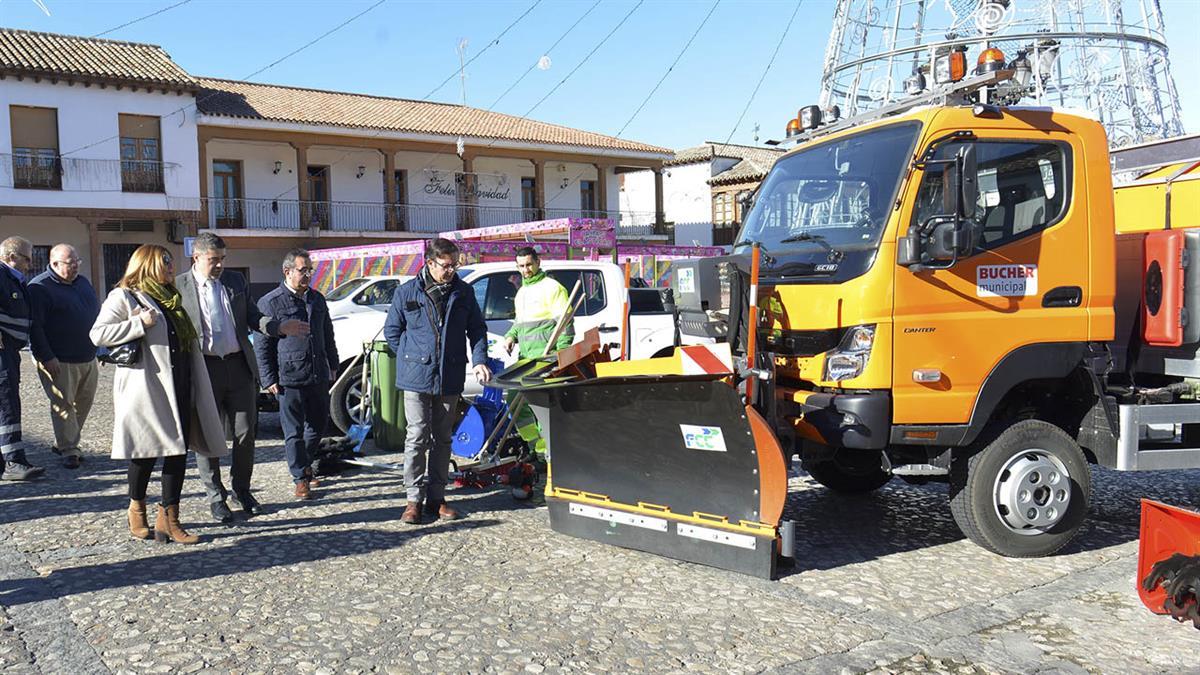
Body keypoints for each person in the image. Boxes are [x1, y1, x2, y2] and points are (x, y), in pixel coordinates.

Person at [89, 244, 228, 543]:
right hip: (147, 387)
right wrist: (139, 323)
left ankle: (169, 519)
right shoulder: (125, 296)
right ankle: (136, 508)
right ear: (148, 263)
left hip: (179, 381)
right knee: (146, 452)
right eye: (165, 261)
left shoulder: (172, 298)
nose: (170, 266)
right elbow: (97, 333)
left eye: (170, 261)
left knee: (177, 451)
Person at [177, 233, 309, 522]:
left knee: (246, 433)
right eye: (214, 260)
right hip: (204, 368)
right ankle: (215, 496)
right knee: (207, 437)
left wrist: (276, 327)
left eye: (223, 259)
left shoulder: (235, 281)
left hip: (239, 367)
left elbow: (253, 316)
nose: (220, 265)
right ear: (196, 258)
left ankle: (242, 490)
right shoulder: (179, 287)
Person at [384, 237, 491, 525]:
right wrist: (412, 357)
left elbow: (477, 329)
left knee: (443, 438)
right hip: (416, 376)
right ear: (429, 263)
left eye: (455, 265)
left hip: (450, 375)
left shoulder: (463, 292)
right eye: (446, 265)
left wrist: (479, 359)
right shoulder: (407, 292)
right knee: (417, 436)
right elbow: (392, 332)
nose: (451, 270)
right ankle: (413, 500)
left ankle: (437, 498)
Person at [254, 248, 337, 501]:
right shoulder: (270, 302)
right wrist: (268, 378)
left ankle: (306, 464)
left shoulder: (317, 299)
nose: (307, 275)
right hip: (289, 376)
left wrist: (332, 363)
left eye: (309, 270)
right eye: (303, 270)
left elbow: (328, 334)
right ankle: (300, 478)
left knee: (317, 426)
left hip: (317, 373)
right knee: (293, 431)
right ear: (287, 272)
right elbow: (262, 343)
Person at [28, 244, 100, 470]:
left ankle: (64, 441)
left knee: (84, 402)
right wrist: (46, 356)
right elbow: (35, 327)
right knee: (63, 403)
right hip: (59, 358)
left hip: (87, 355)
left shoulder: (83, 283)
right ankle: (69, 449)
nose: (76, 266)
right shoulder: (39, 287)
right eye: (71, 263)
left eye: (78, 261)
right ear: (55, 263)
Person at [501, 246, 573, 460]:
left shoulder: (552, 288)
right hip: (526, 358)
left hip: (546, 359)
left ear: (538, 262)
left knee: (544, 408)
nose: (526, 270)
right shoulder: (522, 292)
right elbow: (520, 322)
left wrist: (561, 355)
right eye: (521, 266)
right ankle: (537, 448)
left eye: (529, 265)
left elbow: (565, 324)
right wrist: (511, 336)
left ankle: (552, 454)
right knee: (516, 402)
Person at [0, 237, 44, 480]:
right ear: (11, 256)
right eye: (26, 258)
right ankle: (13, 462)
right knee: (7, 405)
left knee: (6, 403)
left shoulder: (12, 279)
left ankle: (8, 461)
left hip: (9, 350)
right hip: (2, 352)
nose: (30, 264)